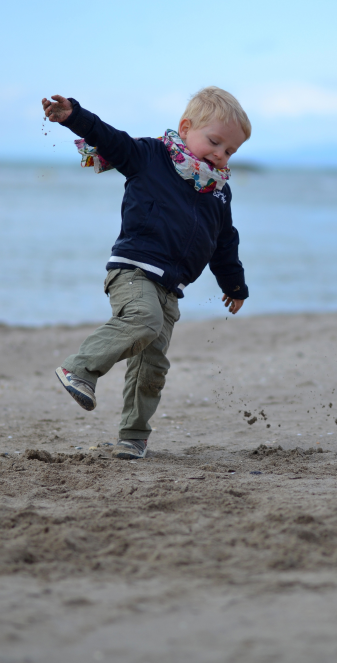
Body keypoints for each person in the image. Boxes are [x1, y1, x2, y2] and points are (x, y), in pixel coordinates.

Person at [41, 87, 250, 460]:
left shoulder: (218, 190)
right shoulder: (151, 156)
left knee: (152, 365)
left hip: (170, 287)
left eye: (229, 151)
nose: (220, 155)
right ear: (186, 128)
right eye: (215, 142)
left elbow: (224, 242)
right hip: (134, 269)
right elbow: (111, 140)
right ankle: (79, 369)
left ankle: (133, 435)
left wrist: (234, 284)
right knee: (143, 319)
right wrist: (74, 115)